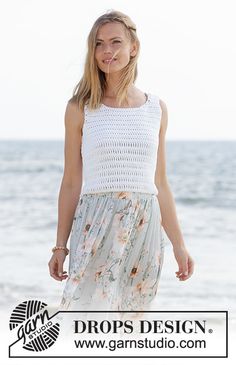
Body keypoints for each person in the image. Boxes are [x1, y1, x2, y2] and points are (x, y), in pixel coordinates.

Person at [48, 10, 194, 316]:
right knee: (87, 320)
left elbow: (160, 184)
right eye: (99, 44)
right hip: (96, 220)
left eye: (116, 42)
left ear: (134, 47)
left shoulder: (157, 109)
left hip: (145, 224)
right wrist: (60, 246)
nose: (107, 51)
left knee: (132, 322)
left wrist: (179, 245)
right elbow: (72, 181)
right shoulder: (80, 107)